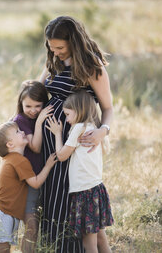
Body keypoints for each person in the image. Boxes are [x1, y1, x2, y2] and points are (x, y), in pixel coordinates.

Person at [38, 15, 114, 252]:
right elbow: (37, 90)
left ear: (73, 41)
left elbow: (108, 107)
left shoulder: (92, 67)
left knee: (74, 202)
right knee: (53, 199)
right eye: (52, 47)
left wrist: (104, 130)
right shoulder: (54, 62)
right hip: (51, 144)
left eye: (60, 47)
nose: (56, 52)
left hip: (74, 146)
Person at [46, 90, 114, 253]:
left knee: (88, 244)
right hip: (96, 189)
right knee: (100, 238)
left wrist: (56, 133)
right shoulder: (93, 128)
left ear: (79, 110)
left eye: (68, 114)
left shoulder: (79, 128)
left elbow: (61, 155)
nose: (66, 119)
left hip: (84, 192)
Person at [0, 121, 57, 253]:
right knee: (2, 248)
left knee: (5, 247)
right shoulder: (19, 160)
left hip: (6, 210)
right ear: (10, 144)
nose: (23, 132)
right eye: (18, 132)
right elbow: (36, 183)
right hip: (4, 211)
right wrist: (48, 165)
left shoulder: (11, 158)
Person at [12, 80, 53, 252]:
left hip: (38, 177)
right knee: (31, 227)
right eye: (28, 105)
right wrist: (39, 121)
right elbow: (35, 147)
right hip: (28, 181)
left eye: (38, 105)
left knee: (36, 223)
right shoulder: (21, 119)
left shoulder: (33, 115)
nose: (33, 110)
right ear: (21, 103)